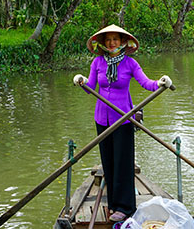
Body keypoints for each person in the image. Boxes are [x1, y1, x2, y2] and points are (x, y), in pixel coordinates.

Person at [73, 24, 172, 222]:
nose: (111, 43)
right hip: (102, 119)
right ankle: (113, 204)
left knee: (123, 163)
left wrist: (160, 83)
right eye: (108, 40)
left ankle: (125, 207)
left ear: (123, 42)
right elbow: (91, 87)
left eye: (115, 40)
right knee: (108, 162)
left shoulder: (130, 64)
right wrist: (82, 81)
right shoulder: (98, 62)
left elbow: (146, 83)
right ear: (103, 43)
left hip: (123, 118)